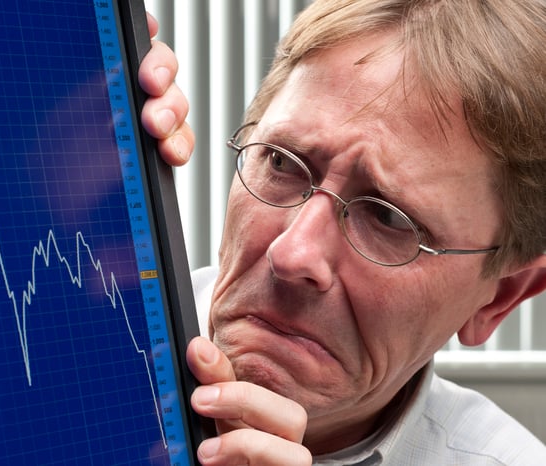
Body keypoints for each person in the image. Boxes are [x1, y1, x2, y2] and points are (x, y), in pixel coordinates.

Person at [139, 1, 546, 464]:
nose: (292, 254)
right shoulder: (66, 338)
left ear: (500, 297)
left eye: (390, 218)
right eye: (281, 162)